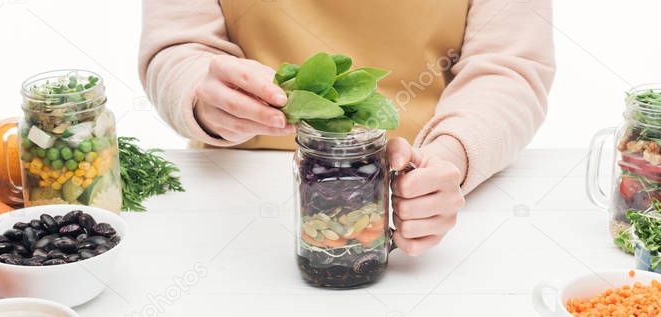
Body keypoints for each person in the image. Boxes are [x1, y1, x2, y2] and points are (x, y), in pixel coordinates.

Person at [139, 0, 555, 256]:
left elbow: (508, 66)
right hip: (231, 188)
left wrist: (450, 155)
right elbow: (177, 46)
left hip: (424, 183)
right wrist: (203, 95)